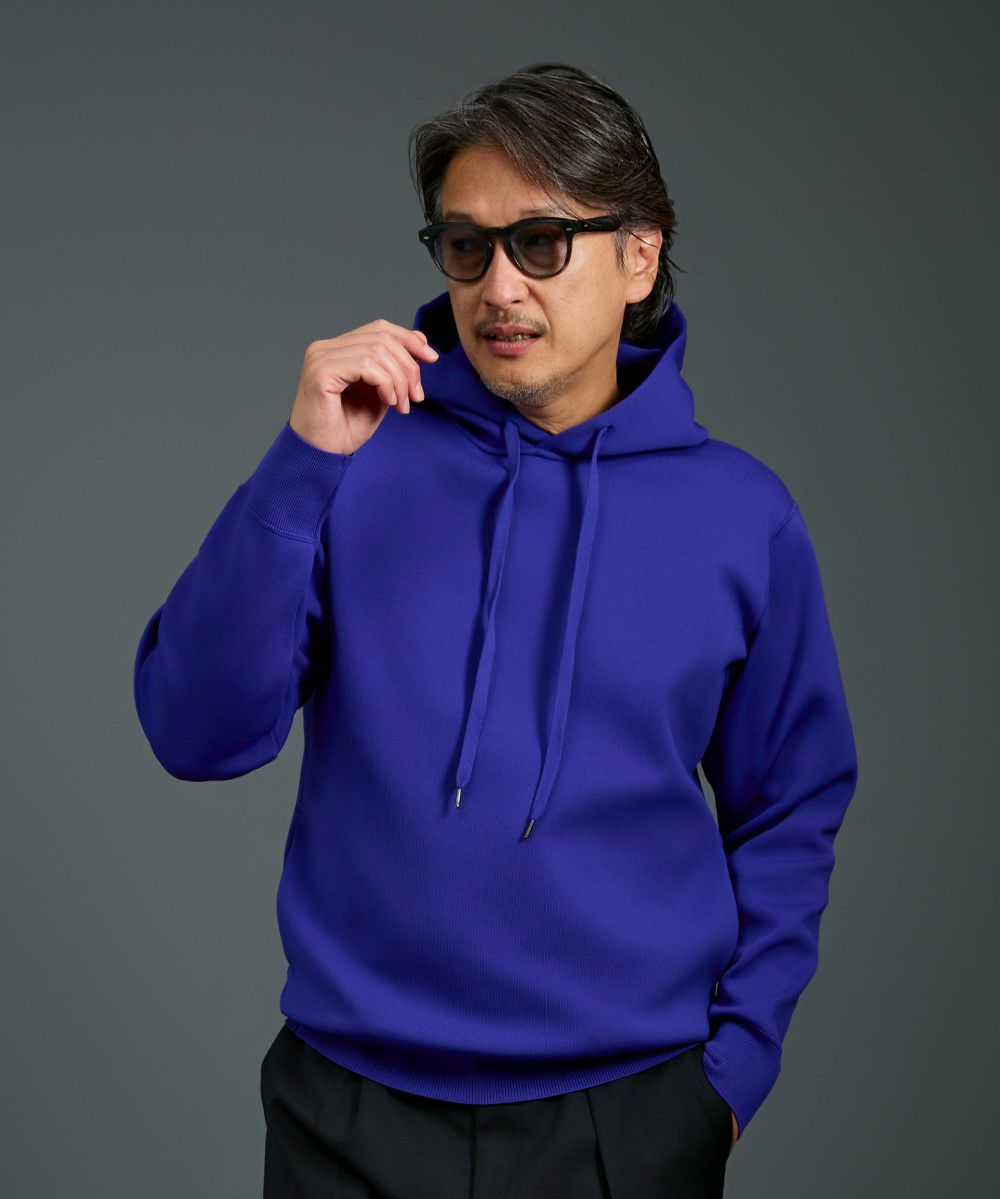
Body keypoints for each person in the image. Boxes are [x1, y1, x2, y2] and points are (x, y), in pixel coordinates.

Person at [133, 62, 859, 1198]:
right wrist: (300, 463)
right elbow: (195, 732)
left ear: (640, 255)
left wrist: (729, 1078)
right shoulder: (350, 462)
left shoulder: (743, 516)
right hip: (346, 1109)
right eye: (466, 246)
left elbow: (790, 806)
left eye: (541, 242)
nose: (498, 286)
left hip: (626, 1120)